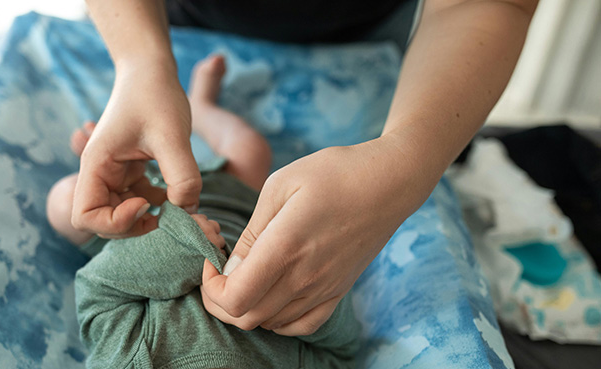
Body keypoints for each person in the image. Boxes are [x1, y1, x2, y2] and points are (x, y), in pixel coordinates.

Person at [70, 0, 539, 338]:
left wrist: (405, 164)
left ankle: (202, 105)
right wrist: (140, 62)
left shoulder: (138, 367)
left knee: (81, 209)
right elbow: (339, 347)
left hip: (159, 213)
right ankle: (200, 100)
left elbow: (94, 290)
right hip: (183, 33)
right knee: (252, 155)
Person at [47, 55, 360, 369]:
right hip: (242, 208)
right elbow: (344, 351)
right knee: (253, 153)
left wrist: (179, 251)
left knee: (63, 205)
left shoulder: (129, 364)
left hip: (139, 223)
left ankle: (137, 153)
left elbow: (99, 291)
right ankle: (204, 106)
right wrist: (307, 306)